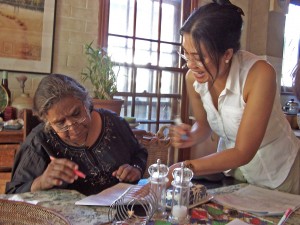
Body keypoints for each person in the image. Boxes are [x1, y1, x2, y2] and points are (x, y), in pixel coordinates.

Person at [170, 0, 300, 194]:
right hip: (238, 175)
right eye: (186, 54)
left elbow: (243, 151)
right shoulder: (194, 79)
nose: (190, 64)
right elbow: (203, 126)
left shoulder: (259, 74)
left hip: (281, 174)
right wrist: (191, 135)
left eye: (198, 57)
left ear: (227, 54)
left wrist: (184, 168)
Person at [6, 74, 147, 195]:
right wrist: (41, 182)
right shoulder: (39, 142)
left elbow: (139, 153)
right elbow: (13, 194)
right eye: (60, 122)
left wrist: (136, 169)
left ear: (85, 103)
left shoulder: (114, 122)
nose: (73, 127)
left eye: (76, 113)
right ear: (47, 122)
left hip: (124, 213)